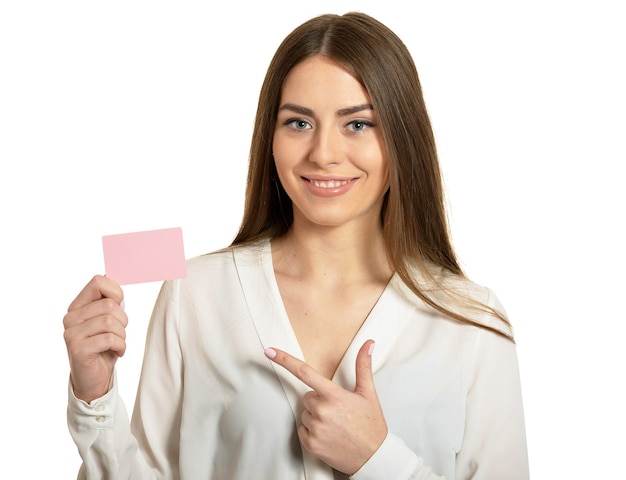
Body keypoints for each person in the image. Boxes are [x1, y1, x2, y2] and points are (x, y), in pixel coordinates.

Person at [63, 11, 529, 480]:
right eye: (299, 123)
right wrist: (95, 399)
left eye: (358, 124)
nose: (324, 153)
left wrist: (378, 460)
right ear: (271, 138)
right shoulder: (197, 295)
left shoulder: (472, 322)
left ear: (403, 140)